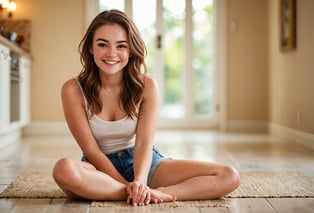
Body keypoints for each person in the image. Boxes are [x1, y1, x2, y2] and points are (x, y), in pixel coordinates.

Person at [52, 9, 240, 206]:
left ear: (131, 50)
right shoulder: (73, 89)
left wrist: (140, 182)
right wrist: (127, 185)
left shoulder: (147, 86)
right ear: (90, 47)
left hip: (144, 163)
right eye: (102, 44)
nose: (111, 53)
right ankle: (134, 193)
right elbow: (91, 150)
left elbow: (143, 144)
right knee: (63, 170)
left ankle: (154, 193)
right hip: (98, 168)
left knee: (229, 175)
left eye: (121, 46)